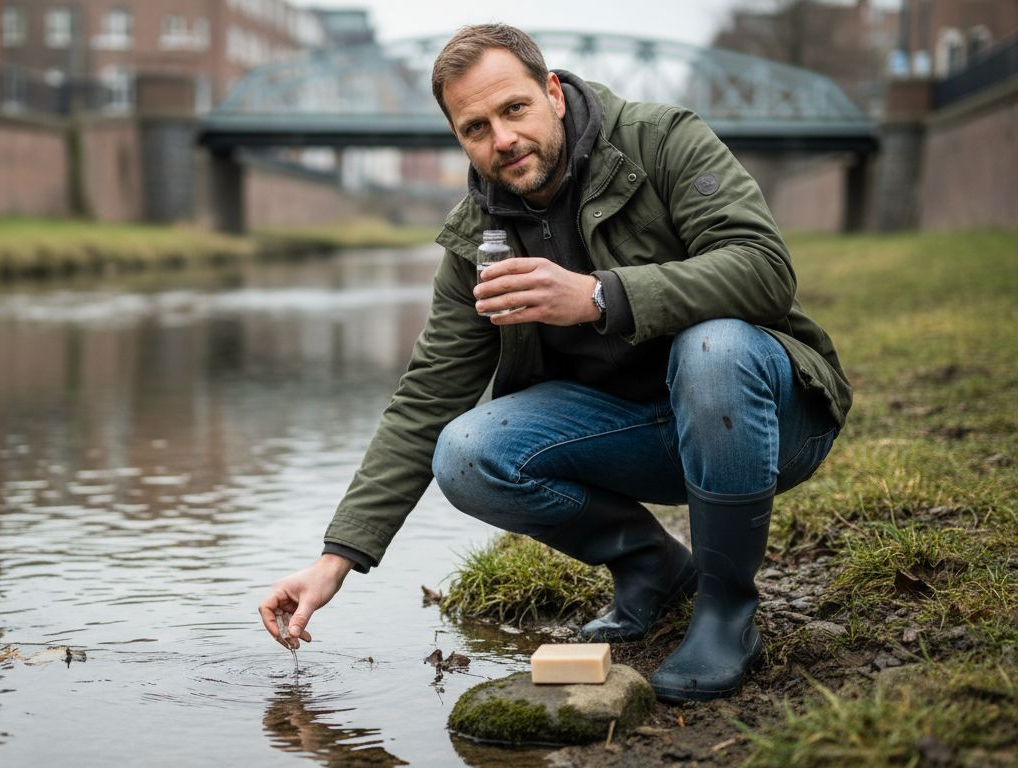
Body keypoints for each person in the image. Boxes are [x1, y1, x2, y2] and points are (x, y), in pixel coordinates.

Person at [258, 23, 851, 703]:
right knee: (465, 452)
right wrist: (338, 557)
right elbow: (428, 397)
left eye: (513, 109)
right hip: (636, 436)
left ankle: (724, 613)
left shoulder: (661, 140)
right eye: (475, 127)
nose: (501, 138)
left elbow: (765, 270)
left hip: (768, 419)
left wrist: (599, 296)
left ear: (552, 94)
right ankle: (653, 570)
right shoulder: (477, 240)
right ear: (459, 138)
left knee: (713, 345)